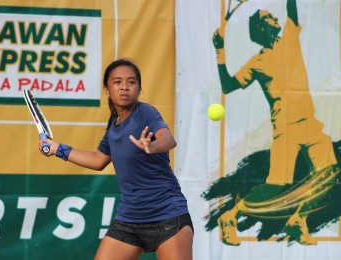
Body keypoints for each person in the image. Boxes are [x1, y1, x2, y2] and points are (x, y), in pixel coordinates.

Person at [39, 58, 194, 259]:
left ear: (139, 89)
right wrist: (57, 149)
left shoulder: (145, 113)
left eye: (131, 82)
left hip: (168, 216)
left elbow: (169, 139)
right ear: (107, 90)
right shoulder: (114, 124)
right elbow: (98, 160)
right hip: (129, 219)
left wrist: (151, 146)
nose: (125, 87)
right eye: (117, 82)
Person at [212, 0, 337, 245]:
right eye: (270, 18)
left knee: (329, 173)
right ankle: (230, 217)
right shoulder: (257, 63)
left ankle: (297, 221)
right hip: (286, 129)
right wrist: (220, 51)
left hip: (310, 123)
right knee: (275, 186)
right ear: (261, 29)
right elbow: (228, 85)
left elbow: (292, 8)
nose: (276, 20)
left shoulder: (290, 36)